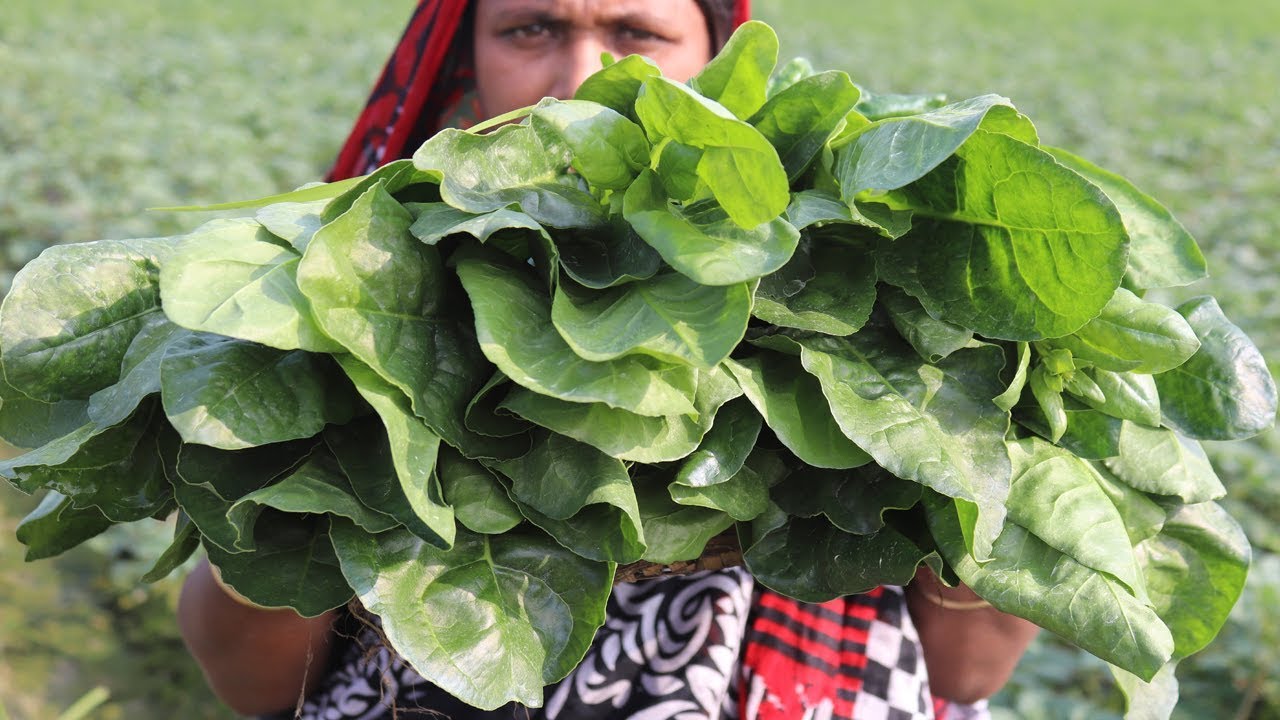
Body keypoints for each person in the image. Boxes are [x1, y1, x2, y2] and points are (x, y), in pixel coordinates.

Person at [177, 1, 1040, 718]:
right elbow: (252, 684)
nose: (580, 77)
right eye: (531, 29)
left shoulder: (851, 280)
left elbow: (967, 674)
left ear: (716, 56)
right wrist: (299, 465)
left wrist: (979, 453)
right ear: (466, 55)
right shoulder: (351, 278)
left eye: (637, 34)